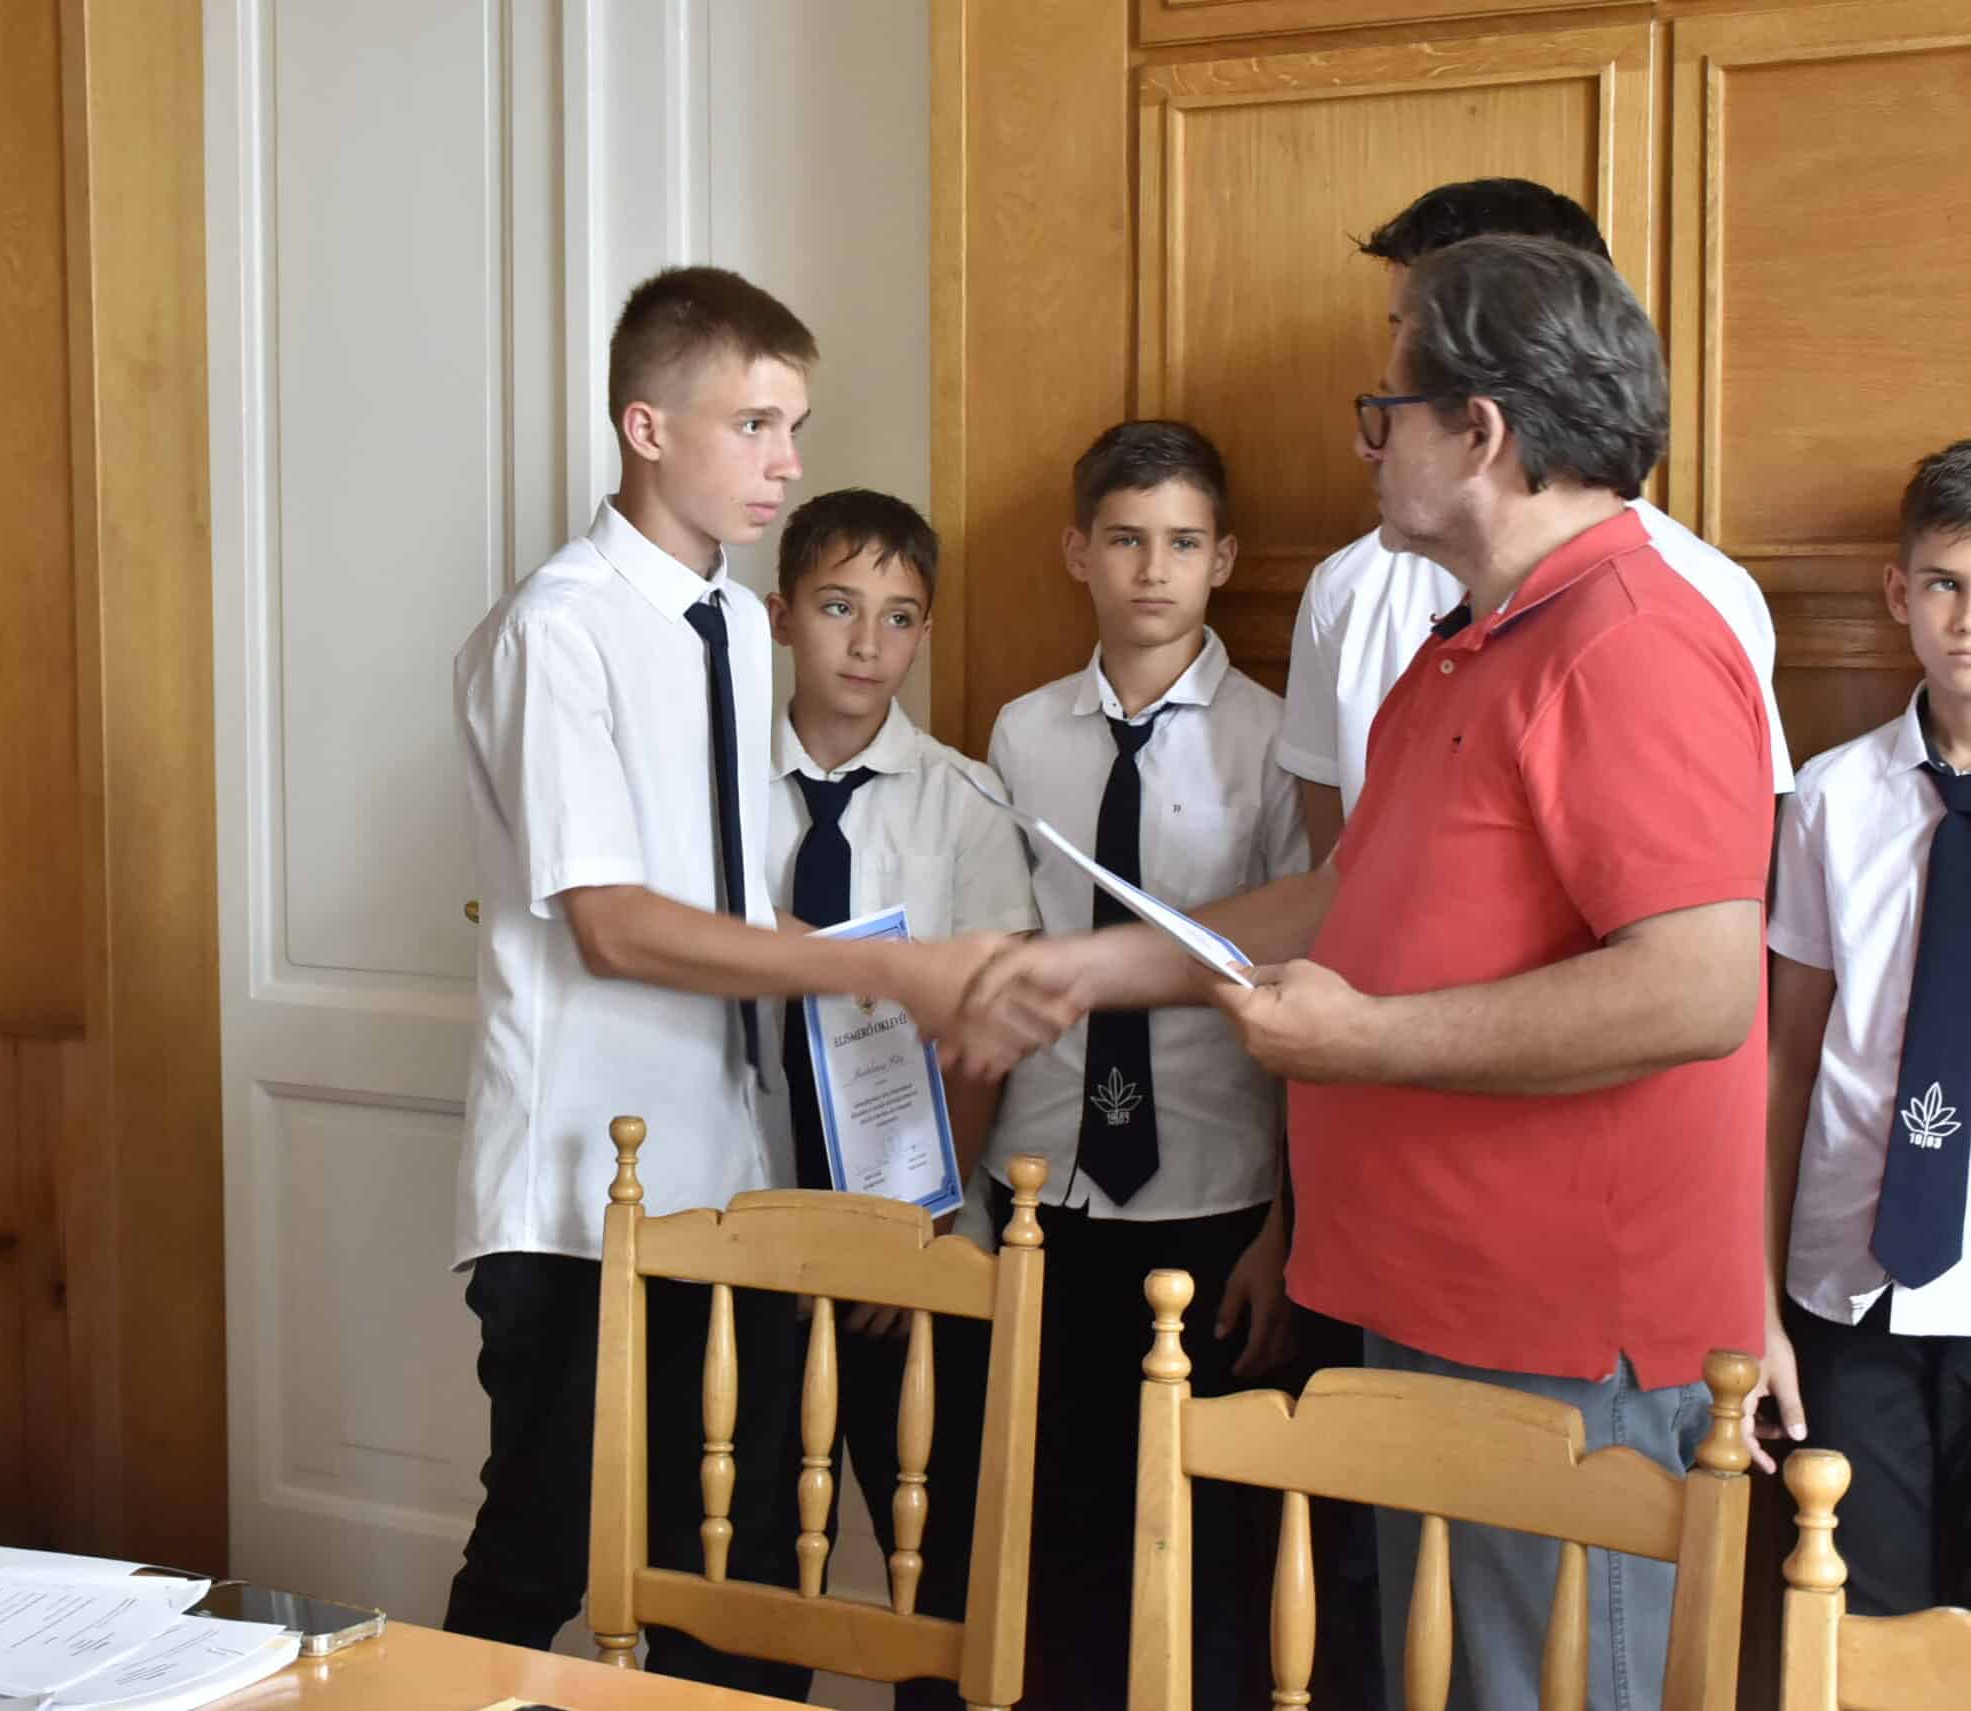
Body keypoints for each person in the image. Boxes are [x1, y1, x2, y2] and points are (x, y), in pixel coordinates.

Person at [962, 237, 1774, 1711]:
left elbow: (1695, 987)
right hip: (1435, 1304)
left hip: (1558, 1335)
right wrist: (1086, 967)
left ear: (1482, 430)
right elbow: (1344, 900)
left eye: (1384, 405)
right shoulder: (1469, 644)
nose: (1367, 440)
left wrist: (1365, 1041)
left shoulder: (1634, 640)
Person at [444, 266, 1045, 1691]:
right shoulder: (561, 625)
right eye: (755, 424)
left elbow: (716, 897)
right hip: (579, 1194)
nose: (786, 462)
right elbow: (613, 924)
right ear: (648, 428)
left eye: (797, 427)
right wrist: (887, 962)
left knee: (741, 1579)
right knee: (539, 1554)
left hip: (724, 1178)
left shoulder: (719, 617)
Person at [979, 420, 1309, 1708]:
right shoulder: (1022, 735)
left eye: (1180, 541)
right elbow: (1009, 954)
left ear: (1222, 557)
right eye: (1124, 539)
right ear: (1079, 552)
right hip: (1048, 1180)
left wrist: (1286, 1222)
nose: (1152, 570)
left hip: (1218, 1189)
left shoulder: (1274, 740)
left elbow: (1300, 980)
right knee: (1058, 1522)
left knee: (1210, 1538)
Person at [1276, 177, 1791, 863]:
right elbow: (1343, 883)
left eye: (1419, 336)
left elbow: (1709, 907)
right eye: (1398, 331)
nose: (1373, 435)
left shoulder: (1681, 612)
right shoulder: (1376, 606)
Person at [757, 486, 1039, 1710]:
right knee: (744, 1545)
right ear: (781, 615)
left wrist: (920, 1218)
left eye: (899, 616)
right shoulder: (717, 791)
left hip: (909, 1236)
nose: (867, 643)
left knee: (943, 1560)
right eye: (837, 608)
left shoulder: (962, 802)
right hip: (747, 1216)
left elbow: (986, 1033)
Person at [1756, 439, 1971, 1615]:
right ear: (1898, 592)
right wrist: (1753, 1295)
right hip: (1852, 1285)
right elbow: (1788, 1059)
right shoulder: (1832, 798)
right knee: (1860, 1629)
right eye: (1944, 583)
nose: (1967, 620)